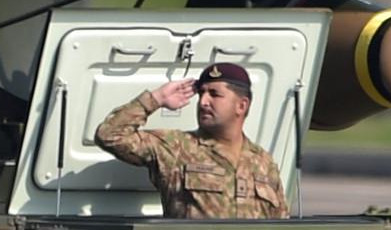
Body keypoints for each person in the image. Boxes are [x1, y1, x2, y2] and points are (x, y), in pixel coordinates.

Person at [94, 62, 290, 220]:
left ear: (241, 105)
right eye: (201, 94)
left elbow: (281, 228)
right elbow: (110, 135)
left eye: (214, 94)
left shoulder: (264, 162)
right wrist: (157, 98)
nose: (203, 101)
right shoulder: (177, 146)